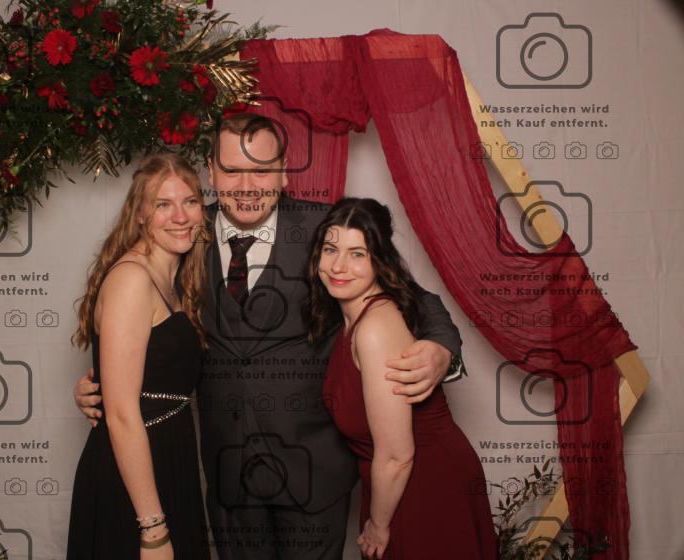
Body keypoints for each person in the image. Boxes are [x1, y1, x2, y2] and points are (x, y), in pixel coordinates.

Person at [73, 113, 467, 559]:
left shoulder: (323, 231)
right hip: (228, 479)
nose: (246, 186)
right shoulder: (183, 234)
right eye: (232, 170)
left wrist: (442, 350)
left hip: (314, 476)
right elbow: (146, 330)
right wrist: (103, 386)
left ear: (283, 173)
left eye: (261, 171)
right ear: (211, 171)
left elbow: (416, 298)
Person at [311, 197, 497, 559]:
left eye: (357, 254)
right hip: (391, 485)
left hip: (423, 485)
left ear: (381, 260)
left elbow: (397, 454)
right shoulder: (351, 316)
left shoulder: (374, 328)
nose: (338, 266)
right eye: (331, 249)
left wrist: (379, 524)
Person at [66, 153, 211, 559]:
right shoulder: (132, 279)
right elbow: (122, 413)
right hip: (131, 476)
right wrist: (153, 528)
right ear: (141, 215)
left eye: (190, 201)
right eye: (163, 204)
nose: (180, 216)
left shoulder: (173, 277)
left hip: (167, 458)